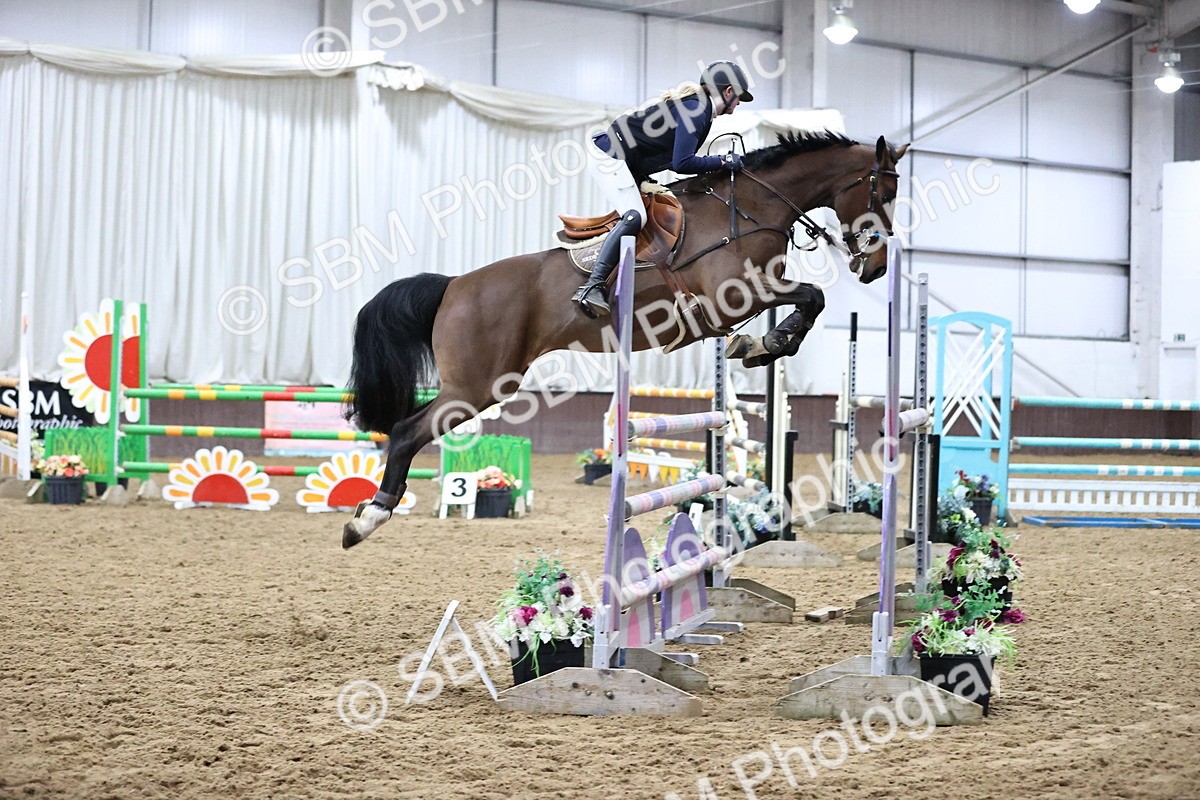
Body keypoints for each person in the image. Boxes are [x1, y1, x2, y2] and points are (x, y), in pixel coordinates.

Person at [570, 60, 753, 318]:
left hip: (630, 163)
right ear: (728, 91)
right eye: (739, 97)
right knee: (635, 216)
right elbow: (682, 163)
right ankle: (592, 286)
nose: (739, 104)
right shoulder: (696, 109)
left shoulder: (700, 109)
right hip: (609, 156)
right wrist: (723, 161)